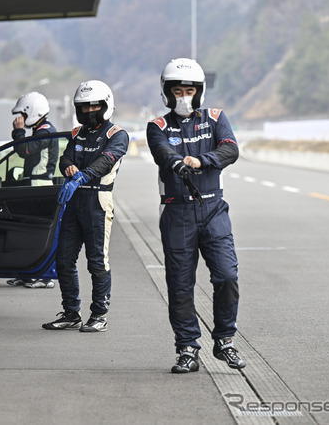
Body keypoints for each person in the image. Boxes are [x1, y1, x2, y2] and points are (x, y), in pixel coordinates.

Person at [146, 58, 246, 373]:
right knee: (180, 284)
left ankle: (225, 340)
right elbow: (161, 152)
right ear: (166, 92)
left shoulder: (216, 118)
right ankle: (187, 348)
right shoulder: (157, 126)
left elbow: (231, 149)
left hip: (213, 207)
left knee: (227, 275)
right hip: (177, 211)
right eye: (177, 90)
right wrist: (177, 163)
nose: (184, 96)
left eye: (190, 89)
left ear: (199, 91)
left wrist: (203, 161)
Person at [42, 80, 129, 332]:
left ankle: (99, 315)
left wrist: (81, 175)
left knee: (97, 262)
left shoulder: (117, 135)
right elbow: (66, 156)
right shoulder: (77, 133)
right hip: (74, 200)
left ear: (106, 105)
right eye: (84, 107)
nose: (89, 111)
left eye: (94, 106)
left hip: (98, 201)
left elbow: (106, 160)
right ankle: (71, 313)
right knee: (64, 259)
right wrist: (67, 166)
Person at [6, 91, 59, 289]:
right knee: (28, 231)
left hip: (40, 187)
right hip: (33, 186)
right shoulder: (41, 131)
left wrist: (18, 132)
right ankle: (29, 273)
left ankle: (45, 276)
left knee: (39, 232)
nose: (21, 119)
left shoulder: (45, 131)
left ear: (33, 112)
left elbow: (24, 150)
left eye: (24, 115)